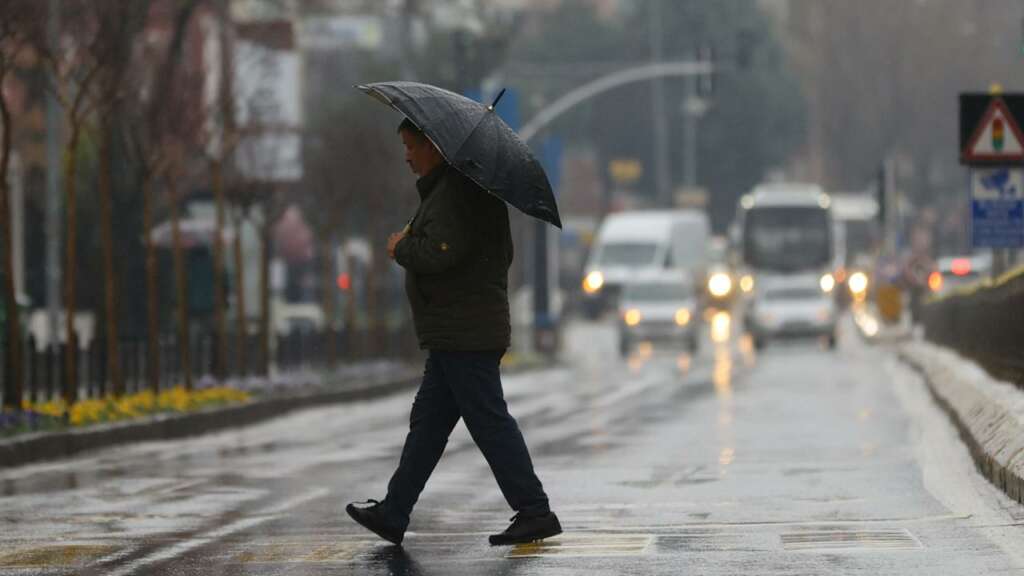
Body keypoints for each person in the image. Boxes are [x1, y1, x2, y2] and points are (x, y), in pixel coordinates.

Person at [346, 118, 561, 547]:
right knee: (427, 425)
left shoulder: (457, 192)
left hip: (466, 332)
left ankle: (535, 510)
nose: (407, 155)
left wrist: (400, 247)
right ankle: (394, 511)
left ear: (434, 146)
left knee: (488, 421)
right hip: (457, 331)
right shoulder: (458, 190)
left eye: (412, 146)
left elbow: (440, 254)